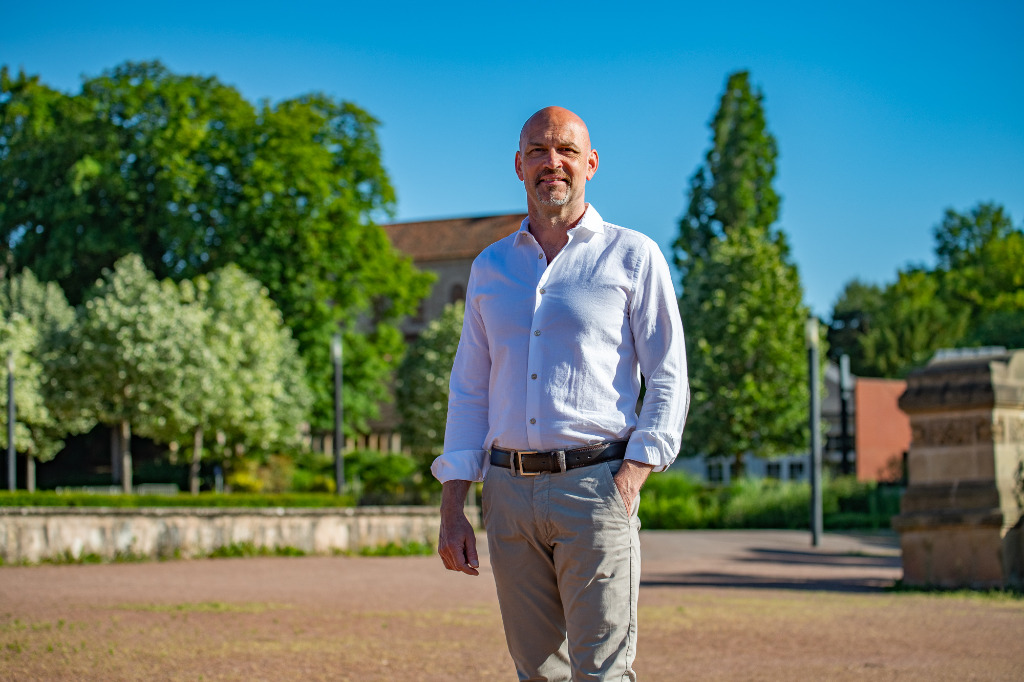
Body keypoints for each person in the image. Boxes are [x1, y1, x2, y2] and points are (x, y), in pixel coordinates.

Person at [433, 106, 688, 681]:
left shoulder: (633, 255)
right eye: (539, 152)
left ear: (590, 164)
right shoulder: (489, 266)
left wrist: (632, 476)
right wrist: (454, 504)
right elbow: (469, 391)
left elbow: (669, 376)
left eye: (567, 151)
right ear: (519, 165)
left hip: (596, 487)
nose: (554, 163)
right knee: (536, 673)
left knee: (601, 673)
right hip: (507, 494)